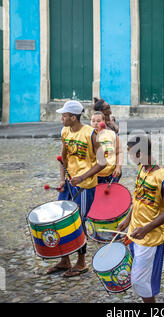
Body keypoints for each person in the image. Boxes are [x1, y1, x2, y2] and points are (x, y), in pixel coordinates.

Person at [47, 100, 106, 277]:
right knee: (61, 221)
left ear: (73, 117)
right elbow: (63, 158)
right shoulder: (65, 131)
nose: (61, 118)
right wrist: (62, 180)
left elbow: (102, 163)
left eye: (64, 116)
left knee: (78, 223)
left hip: (85, 186)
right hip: (69, 185)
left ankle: (81, 263)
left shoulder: (91, 134)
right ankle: (65, 260)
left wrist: (82, 177)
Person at [117, 135, 164, 303]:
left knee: (139, 281)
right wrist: (128, 219)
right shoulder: (142, 169)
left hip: (149, 237)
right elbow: (138, 198)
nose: (129, 157)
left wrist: (145, 229)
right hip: (135, 232)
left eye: (130, 153)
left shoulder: (162, 178)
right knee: (138, 279)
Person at [90, 111, 123, 184]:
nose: (95, 123)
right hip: (93, 175)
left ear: (103, 121)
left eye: (98, 121)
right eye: (93, 121)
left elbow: (119, 152)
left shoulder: (112, 134)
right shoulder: (87, 136)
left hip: (110, 175)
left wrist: (118, 167)